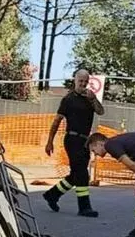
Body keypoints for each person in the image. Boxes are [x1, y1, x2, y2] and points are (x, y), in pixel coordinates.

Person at [42, 69, 104, 218]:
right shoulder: (68, 99)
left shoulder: (90, 99)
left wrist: (94, 99)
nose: (83, 84)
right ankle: (84, 207)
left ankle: (52, 195)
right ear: (75, 80)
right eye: (80, 80)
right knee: (82, 174)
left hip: (85, 141)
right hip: (72, 139)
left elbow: (101, 111)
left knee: (76, 173)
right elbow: (57, 121)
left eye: (85, 81)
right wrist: (50, 141)